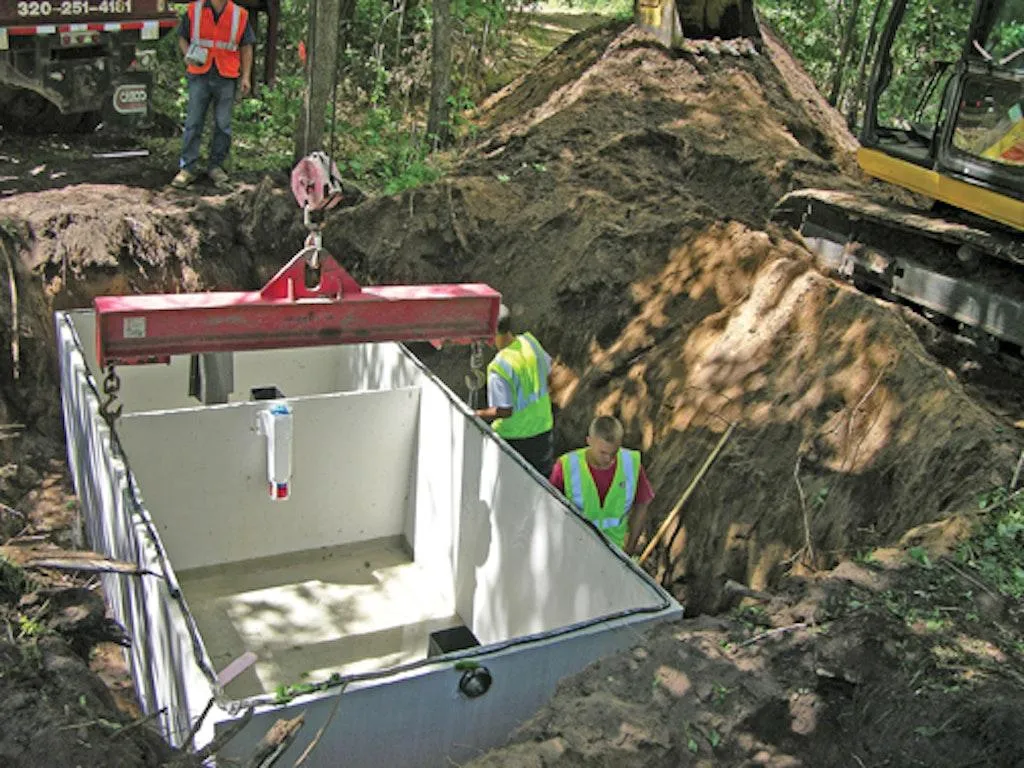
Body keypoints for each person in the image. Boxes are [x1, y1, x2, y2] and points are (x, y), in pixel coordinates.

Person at [170, 0, 255, 190]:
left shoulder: (239, 15)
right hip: (200, 73)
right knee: (193, 121)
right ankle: (187, 168)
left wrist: (246, 76)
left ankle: (216, 166)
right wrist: (188, 55)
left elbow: (246, 46)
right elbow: (182, 36)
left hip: (226, 75)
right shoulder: (195, 10)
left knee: (223, 124)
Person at [549, 415, 654, 552]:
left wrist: (630, 547)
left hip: (615, 549)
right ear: (589, 441)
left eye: (614, 452)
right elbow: (549, 506)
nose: (608, 459)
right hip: (574, 546)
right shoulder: (566, 466)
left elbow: (642, 504)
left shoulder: (630, 463)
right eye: (603, 453)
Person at [474, 305, 555, 476]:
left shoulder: (499, 366)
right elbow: (549, 371)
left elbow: (504, 410)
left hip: (514, 439)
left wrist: (477, 415)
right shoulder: (530, 342)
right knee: (541, 486)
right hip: (544, 431)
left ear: (490, 335)